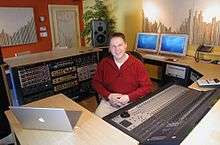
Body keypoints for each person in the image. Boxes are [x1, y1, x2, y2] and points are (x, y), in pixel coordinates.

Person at [92, 32, 152, 118]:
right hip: (109, 102)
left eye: (120, 45)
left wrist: (128, 97)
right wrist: (108, 95)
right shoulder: (104, 63)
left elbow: (147, 87)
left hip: (131, 102)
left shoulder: (137, 64)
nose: (117, 49)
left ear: (125, 45)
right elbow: (95, 83)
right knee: (97, 124)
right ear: (109, 48)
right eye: (113, 46)